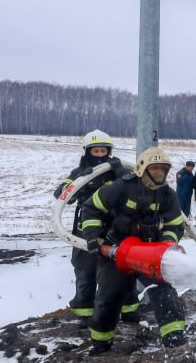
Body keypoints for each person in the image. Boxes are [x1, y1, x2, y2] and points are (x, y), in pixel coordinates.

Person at [77, 146, 187, 352]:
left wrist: (166, 245)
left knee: (164, 292)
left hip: (150, 253)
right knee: (108, 297)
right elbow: (90, 208)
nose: (160, 173)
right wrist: (93, 238)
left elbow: (175, 224)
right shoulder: (120, 188)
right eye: (155, 169)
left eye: (163, 169)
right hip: (116, 251)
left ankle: (174, 338)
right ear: (143, 169)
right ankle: (101, 343)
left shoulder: (167, 195)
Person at [54, 130, 139, 326]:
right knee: (85, 271)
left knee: (123, 268)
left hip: (115, 229)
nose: (100, 155)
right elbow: (61, 195)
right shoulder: (78, 173)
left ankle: (129, 310)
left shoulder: (118, 171)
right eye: (96, 151)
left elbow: (134, 187)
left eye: (103, 151)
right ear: (87, 152)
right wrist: (79, 181)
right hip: (85, 231)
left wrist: (120, 171)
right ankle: (86, 313)